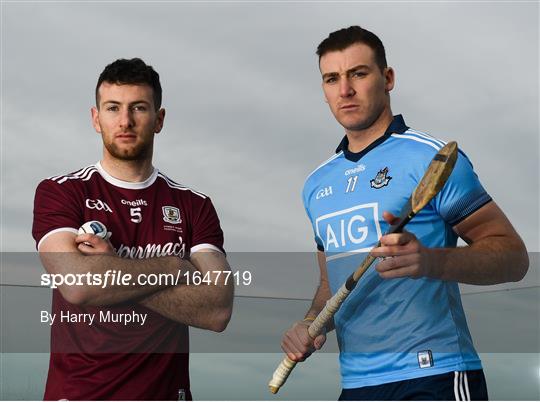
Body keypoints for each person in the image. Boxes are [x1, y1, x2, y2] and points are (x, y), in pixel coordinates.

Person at [281, 26, 528, 400]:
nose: (344, 90)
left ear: (388, 78)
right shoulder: (316, 185)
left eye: (358, 74)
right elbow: (332, 286)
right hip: (357, 385)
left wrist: (430, 261)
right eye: (332, 79)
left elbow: (513, 257)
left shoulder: (429, 158)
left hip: (437, 377)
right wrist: (309, 323)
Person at [32, 58, 234, 400]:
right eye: (113, 108)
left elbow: (216, 309)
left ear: (159, 119)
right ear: (96, 119)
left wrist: (112, 267)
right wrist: (174, 268)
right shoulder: (62, 192)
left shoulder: (194, 205)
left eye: (138, 108)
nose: (125, 121)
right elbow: (79, 285)